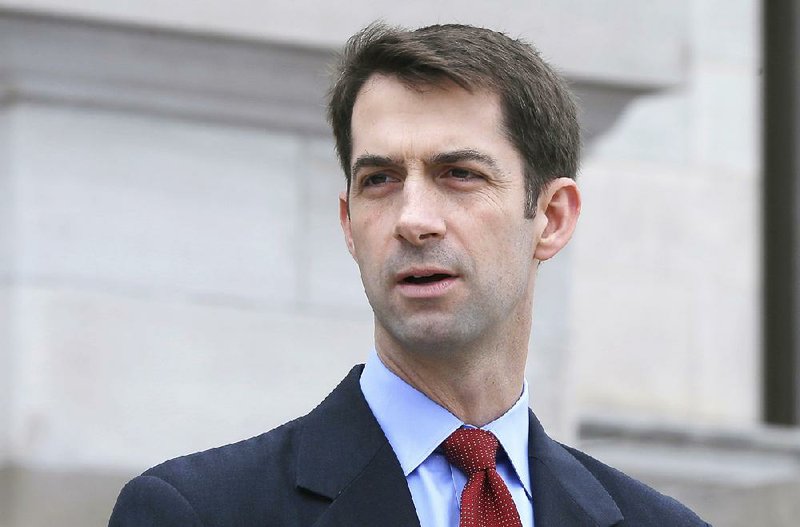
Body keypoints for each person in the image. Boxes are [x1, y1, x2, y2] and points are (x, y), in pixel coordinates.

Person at [109, 23, 709, 526]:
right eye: (379, 181)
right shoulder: (198, 513)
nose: (413, 220)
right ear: (349, 224)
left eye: (459, 174)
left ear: (551, 218)